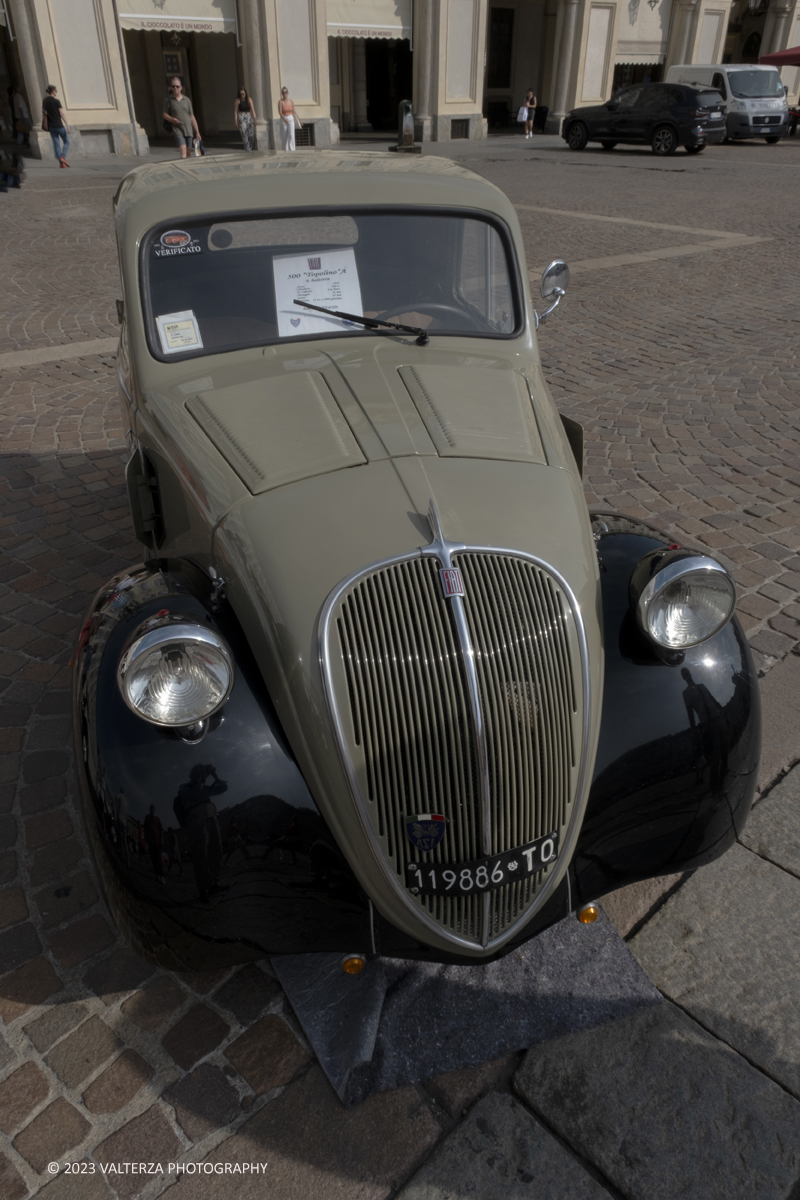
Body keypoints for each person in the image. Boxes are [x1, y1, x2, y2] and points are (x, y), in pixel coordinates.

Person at [162, 76, 201, 160]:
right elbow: (164, 114)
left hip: (188, 129)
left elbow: (192, 116)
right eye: (173, 86)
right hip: (177, 129)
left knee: (188, 151)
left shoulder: (187, 100)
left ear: (181, 87)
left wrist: (197, 132)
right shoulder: (168, 100)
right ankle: (183, 167)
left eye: (177, 86)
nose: (175, 88)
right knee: (182, 149)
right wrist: (172, 119)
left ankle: (189, 168)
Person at [42, 85, 69, 166]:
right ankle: (63, 157)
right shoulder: (56, 101)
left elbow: (43, 112)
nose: (56, 92)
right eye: (56, 90)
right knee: (67, 142)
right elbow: (62, 114)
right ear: (53, 91)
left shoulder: (45, 100)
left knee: (56, 143)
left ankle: (61, 163)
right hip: (59, 125)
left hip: (51, 126)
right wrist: (67, 125)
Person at [143, 804, 165, 883]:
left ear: (154, 810)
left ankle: (161, 875)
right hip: (151, 841)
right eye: (151, 808)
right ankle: (157, 875)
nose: (152, 809)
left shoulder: (157, 819)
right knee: (153, 860)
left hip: (157, 841)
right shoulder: (147, 818)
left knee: (158, 859)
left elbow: (161, 830)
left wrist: (161, 840)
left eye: (153, 808)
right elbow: (145, 831)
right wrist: (146, 843)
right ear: (150, 809)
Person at [235, 87, 256, 151]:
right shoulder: (238, 101)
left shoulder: (249, 100)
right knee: (244, 134)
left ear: (246, 93)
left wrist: (254, 119)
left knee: (251, 135)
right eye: (241, 94)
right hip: (242, 117)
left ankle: (249, 147)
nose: (242, 95)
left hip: (249, 117)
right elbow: (235, 111)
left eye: (243, 94)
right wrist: (236, 121)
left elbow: (252, 109)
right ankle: (248, 150)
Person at [278, 86, 297, 151]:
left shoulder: (291, 101)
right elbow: (280, 112)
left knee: (291, 135)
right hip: (284, 119)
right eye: (283, 92)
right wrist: (284, 119)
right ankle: (285, 150)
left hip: (291, 118)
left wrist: (298, 120)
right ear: (282, 94)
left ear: (288, 93)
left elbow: (294, 111)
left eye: (286, 92)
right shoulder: (280, 102)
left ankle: (292, 150)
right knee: (284, 136)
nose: (284, 94)